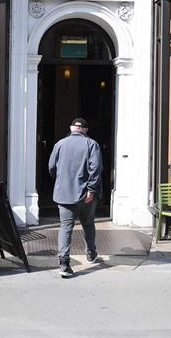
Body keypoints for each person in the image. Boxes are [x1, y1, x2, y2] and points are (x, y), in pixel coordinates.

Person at [48, 117, 103, 278]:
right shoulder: (91, 144)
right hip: (85, 194)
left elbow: (51, 167)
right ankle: (91, 253)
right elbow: (96, 168)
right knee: (88, 224)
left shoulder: (60, 144)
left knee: (65, 227)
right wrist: (91, 190)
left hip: (64, 193)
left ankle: (64, 263)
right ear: (85, 130)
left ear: (72, 128)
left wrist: (60, 180)